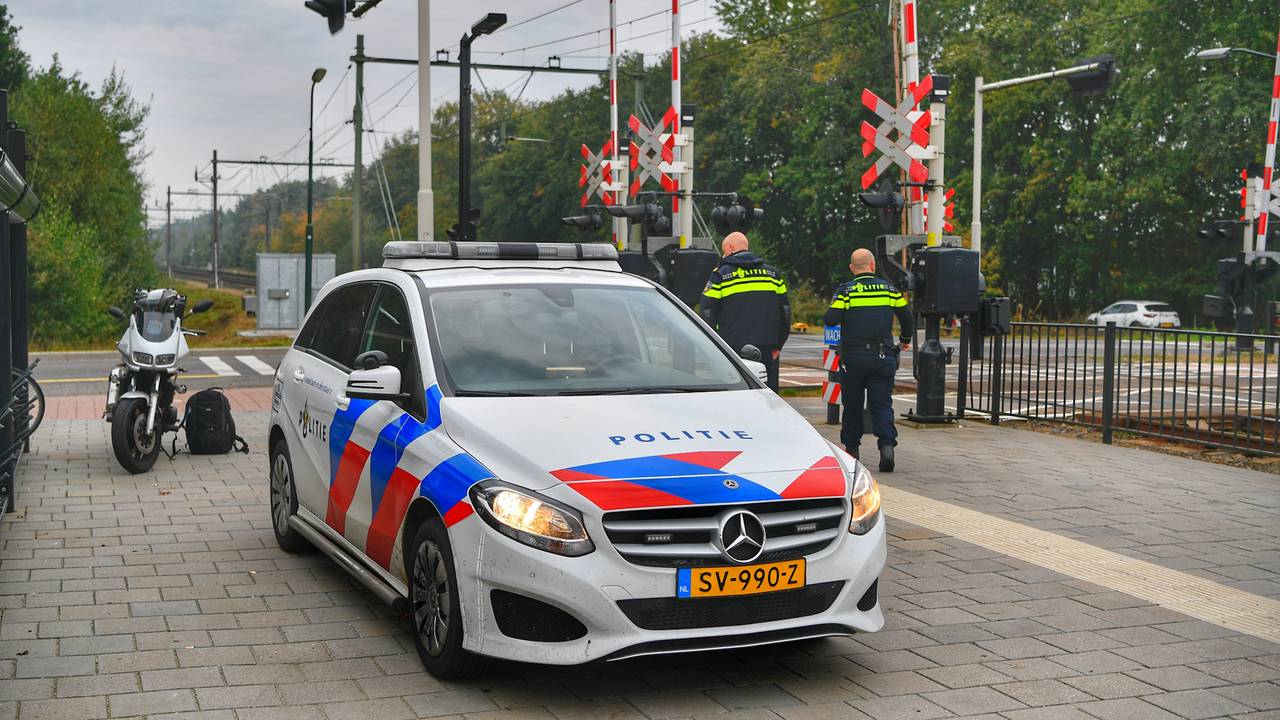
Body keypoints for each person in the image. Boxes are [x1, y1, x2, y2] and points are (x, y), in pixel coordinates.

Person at [823, 248, 913, 472]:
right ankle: (886, 447)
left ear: (852, 268)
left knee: (852, 404)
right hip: (882, 356)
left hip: (853, 359)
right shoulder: (889, 289)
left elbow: (830, 319)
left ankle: (852, 451)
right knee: (882, 404)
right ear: (872, 266)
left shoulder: (846, 291)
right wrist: (904, 340)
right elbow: (907, 316)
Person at [701, 232, 791, 391]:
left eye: (724, 251)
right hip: (767, 347)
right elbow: (785, 312)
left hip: (731, 348)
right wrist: (778, 345)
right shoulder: (772, 275)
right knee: (767, 397)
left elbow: (707, 312)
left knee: (736, 395)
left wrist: (716, 344)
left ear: (730, 247)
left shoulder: (720, 274)